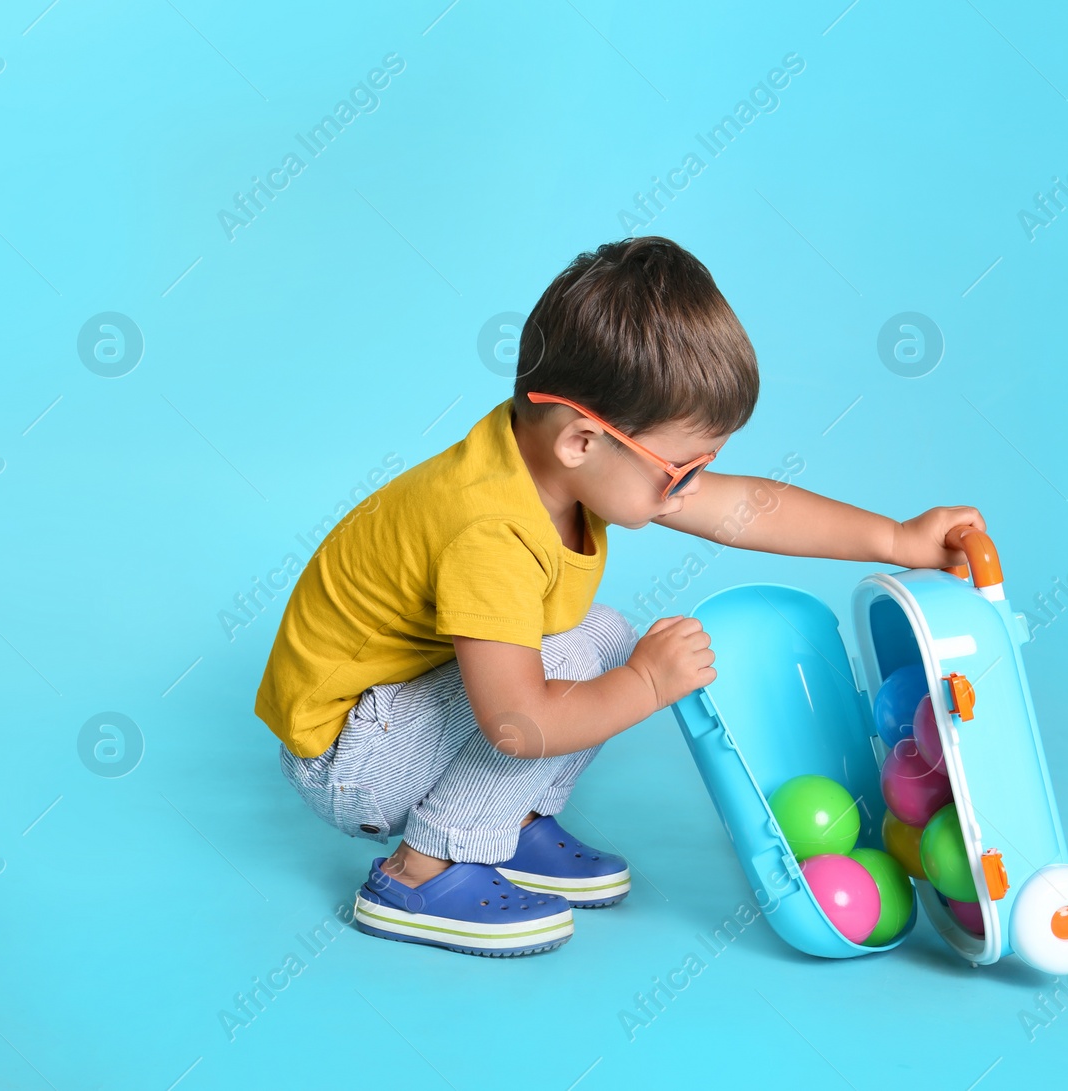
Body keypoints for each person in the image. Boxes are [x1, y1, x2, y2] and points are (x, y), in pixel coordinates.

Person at [256, 236, 983, 956]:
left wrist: (896, 539)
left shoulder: (561, 461)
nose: (691, 489)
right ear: (582, 440)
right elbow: (515, 721)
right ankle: (422, 871)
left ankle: (501, 817)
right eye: (679, 470)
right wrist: (644, 685)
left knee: (599, 631)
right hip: (352, 760)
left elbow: (743, 508)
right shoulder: (493, 532)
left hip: (396, 712)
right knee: (581, 666)